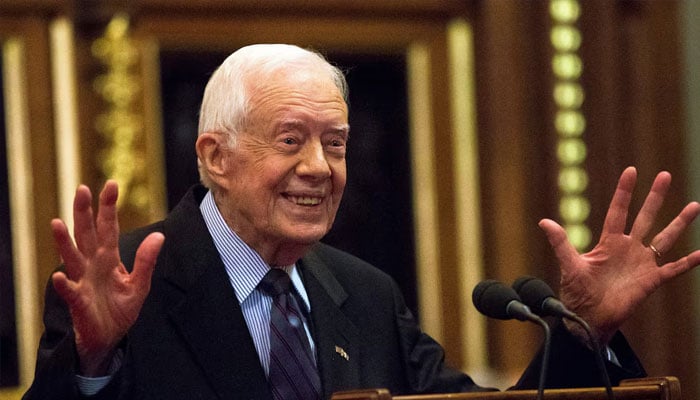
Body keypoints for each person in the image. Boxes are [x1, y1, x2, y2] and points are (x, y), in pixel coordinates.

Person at [24, 44, 700, 400]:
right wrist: (92, 361)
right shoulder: (124, 289)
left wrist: (586, 331)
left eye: (337, 142)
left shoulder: (366, 294)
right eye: (291, 139)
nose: (320, 167)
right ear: (216, 156)